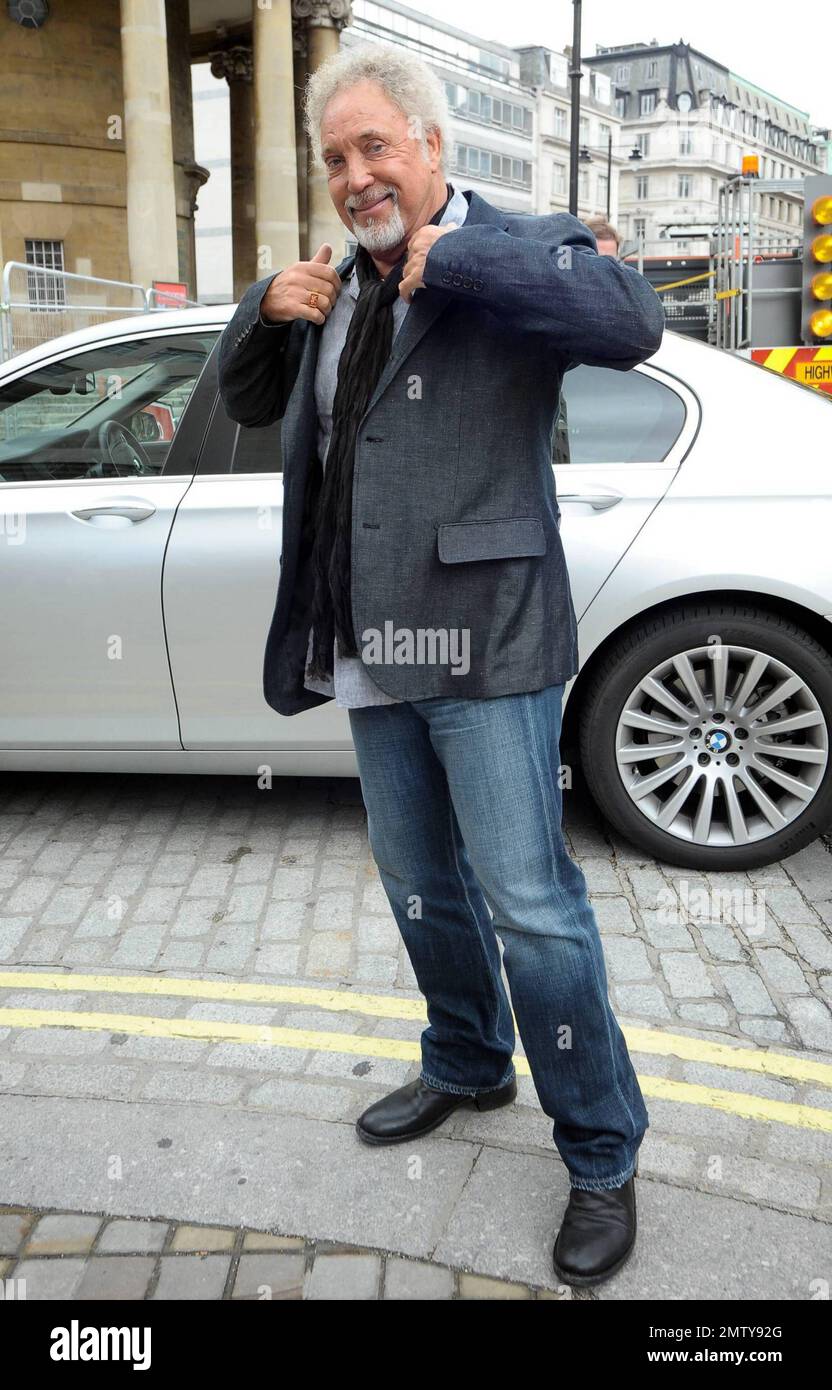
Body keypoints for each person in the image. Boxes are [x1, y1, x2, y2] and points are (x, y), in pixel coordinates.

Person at [217, 42, 664, 1288]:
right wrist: (263, 311)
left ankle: (601, 1147)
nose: (357, 176)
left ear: (429, 148)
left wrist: (458, 258)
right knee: (418, 878)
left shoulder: (525, 246)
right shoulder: (331, 284)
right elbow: (255, 407)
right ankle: (467, 1061)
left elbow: (632, 323)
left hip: (488, 636)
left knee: (529, 900)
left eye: (375, 149)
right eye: (336, 159)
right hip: (366, 637)